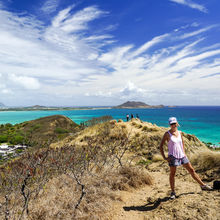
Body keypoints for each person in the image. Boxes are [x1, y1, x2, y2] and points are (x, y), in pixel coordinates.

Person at [159, 117, 212, 199]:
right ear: (169, 124)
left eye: (174, 123)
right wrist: (165, 157)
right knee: (172, 174)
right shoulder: (167, 134)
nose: (173, 125)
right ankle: (173, 192)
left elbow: (182, 143)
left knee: (191, 170)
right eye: (171, 124)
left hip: (182, 156)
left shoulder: (180, 132)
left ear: (177, 123)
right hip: (172, 157)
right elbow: (161, 146)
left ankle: (203, 185)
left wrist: (184, 152)